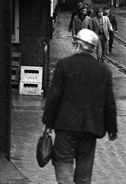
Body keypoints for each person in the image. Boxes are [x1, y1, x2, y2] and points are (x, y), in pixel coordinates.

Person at [42, 28, 118, 184]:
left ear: (77, 45)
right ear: (92, 49)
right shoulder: (103, 71)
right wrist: (112, 129)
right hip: (90, 129)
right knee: (84, 172)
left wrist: (47, 123)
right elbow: (109, 103)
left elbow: (54, 97)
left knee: (63, 163)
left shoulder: (64, 65)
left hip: (65, 127)